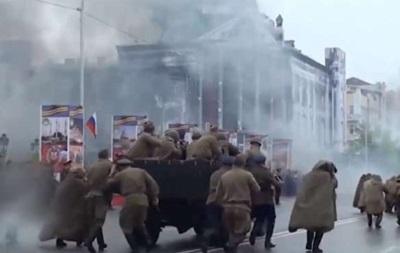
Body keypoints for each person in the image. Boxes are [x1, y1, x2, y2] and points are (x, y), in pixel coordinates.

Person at [107, 158, 159, 252]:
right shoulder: (141, 171)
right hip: (143, 199)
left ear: (120, 166)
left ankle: (135, 248)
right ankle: (148, 243)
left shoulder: (121, 174)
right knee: (140, 224)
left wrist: (112, 172)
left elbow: (108, 184)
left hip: (130, 199)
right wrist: (154, 197)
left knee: (125, 224)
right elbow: (153, 184)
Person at [288, 160, 337, 253]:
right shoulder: (327, 176)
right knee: (320, 226)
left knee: (310, 225)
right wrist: (332, 175)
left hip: (309, 203)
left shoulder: (309, 175)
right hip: (322, 205)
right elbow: (334, 184)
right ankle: (315, 247)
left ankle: (309, 243)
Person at [215, 154, 261, 252]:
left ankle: (232, 248)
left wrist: (221, 204)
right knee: (244, 230)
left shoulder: (224, 176)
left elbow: (218, 194)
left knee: (232, 232)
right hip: (242, 207)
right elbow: (257, 189)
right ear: (243, 163)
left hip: (227, 207)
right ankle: (231, 244)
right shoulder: (247, 175)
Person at [39, 167, 89, 249]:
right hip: (71, 208)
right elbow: (86, 189)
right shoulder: (77, 182)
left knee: (61, 225)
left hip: (62, 207)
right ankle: (79, 240)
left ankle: (60, 239)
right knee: (77, 224)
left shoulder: (67, 181)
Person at [199, 155, 234, 253]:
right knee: (225, 225)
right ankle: (227, 246)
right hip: (224, 201)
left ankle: (205, 239)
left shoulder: (215, 174)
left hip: (211, 201)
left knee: (212, 223)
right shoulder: (230, 174)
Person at [249, 154, 282, 249]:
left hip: (254, 198)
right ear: (263, 161)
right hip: (266, 199)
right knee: (271, 220)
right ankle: (267, 241)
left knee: (259, 218)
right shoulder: (266, 172)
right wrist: (279, 183)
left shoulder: (251, 171)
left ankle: (253, 233)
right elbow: (276, 184)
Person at [84, 149, 113, 253]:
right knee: (99, 220)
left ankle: (101, 242)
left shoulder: (93, 165)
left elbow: (86, 179)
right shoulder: (109, 165)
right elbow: (112, 180)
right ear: (107, 155)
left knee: (94, 221)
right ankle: (89, 240)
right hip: (101, 194)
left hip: (90, 195)